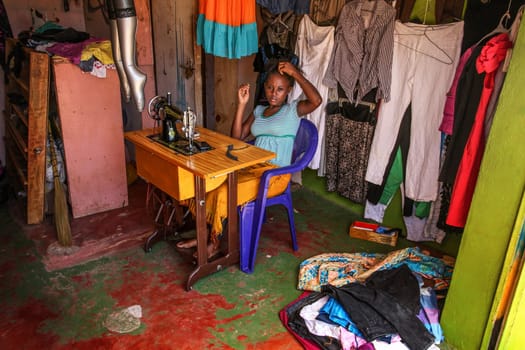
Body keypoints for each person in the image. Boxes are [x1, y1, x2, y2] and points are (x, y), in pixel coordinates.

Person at [176, 60, 322, 259]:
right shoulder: (259, 111)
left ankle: (214, 243)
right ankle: (206, 236)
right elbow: (237, 137)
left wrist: (295, 73)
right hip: (252, 169)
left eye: (280, 89)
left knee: (224, 192)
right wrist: (241, 105)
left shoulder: (293, 111)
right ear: (264, 87)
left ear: (288, 90)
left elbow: (316, 101)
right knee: (209, 183)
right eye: (270, 87)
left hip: (273, 176)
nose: (273, 93)